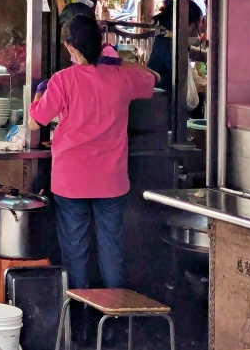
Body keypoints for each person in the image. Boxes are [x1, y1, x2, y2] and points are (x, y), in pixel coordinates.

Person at [29, 15, 158, 292]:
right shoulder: (122, 77)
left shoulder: (62, 80)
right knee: (111, 245)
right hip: (111, 181)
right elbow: (152, 78)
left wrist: (40, 95)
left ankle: (80, 312)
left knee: (75, 248)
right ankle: (113, 313)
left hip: (70, 180)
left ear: (71, 48)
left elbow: (35, 121)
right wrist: (118, 62)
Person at [147, 0, 205, 110]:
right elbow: (184, 85)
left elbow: (192, 51)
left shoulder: (166, 42)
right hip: (165, 112)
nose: (197, 32)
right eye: (196, 27)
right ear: (184, 24)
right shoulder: (171, 49)